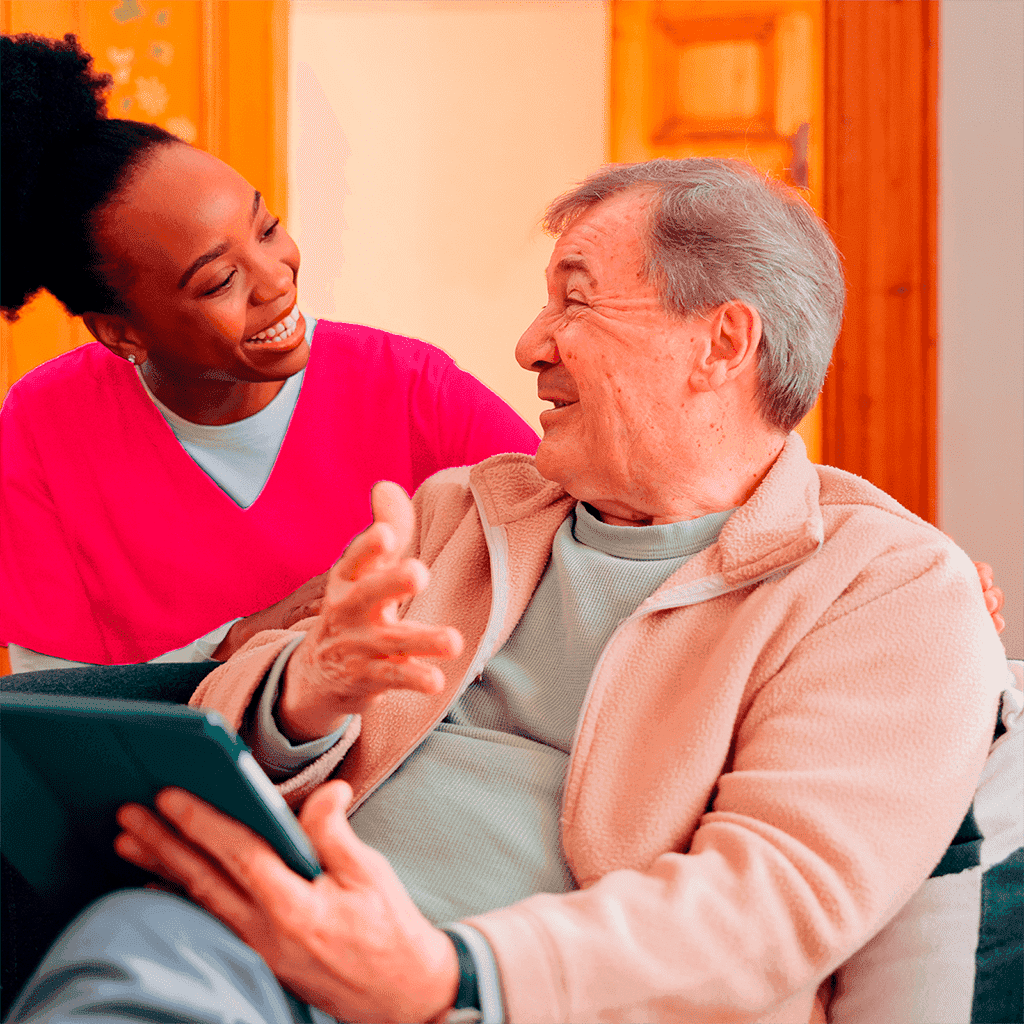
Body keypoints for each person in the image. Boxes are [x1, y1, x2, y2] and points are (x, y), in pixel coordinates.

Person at [7, 159, 1014, 1024]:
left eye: (573, 298)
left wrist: (448, 974)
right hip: (262, 948)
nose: (531, 343)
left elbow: (768, 902)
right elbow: (216, 712)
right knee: (129, 948)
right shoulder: (464, 509)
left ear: (721, 342)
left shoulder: (884, 588)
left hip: (517, 994)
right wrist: (305, 685)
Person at [0, 33, 538, 673]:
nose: (277, 279)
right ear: (121, 333)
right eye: (219, 280)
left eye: (267, 227)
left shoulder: (412, 388)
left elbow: (574, 551)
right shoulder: (43, 425)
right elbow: (56, 702)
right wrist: (252, 641)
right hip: (162, 772)